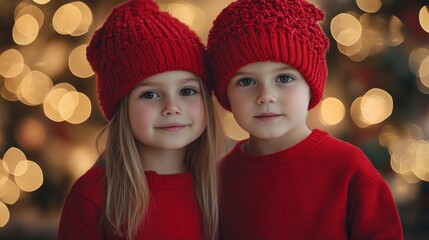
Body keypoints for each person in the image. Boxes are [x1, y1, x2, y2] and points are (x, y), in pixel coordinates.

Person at [206, 0, 403, 239]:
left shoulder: (348, 168)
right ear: (225, 92)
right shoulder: (218, 179)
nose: (265, 96)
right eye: (246, 81)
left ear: (311, 85)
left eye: (284, 78)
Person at [58, 0, 225, 239]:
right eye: (150, 94)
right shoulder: (93, 196)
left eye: (187, 91)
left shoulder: (221, 187)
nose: (172, 108)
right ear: (121, 109)